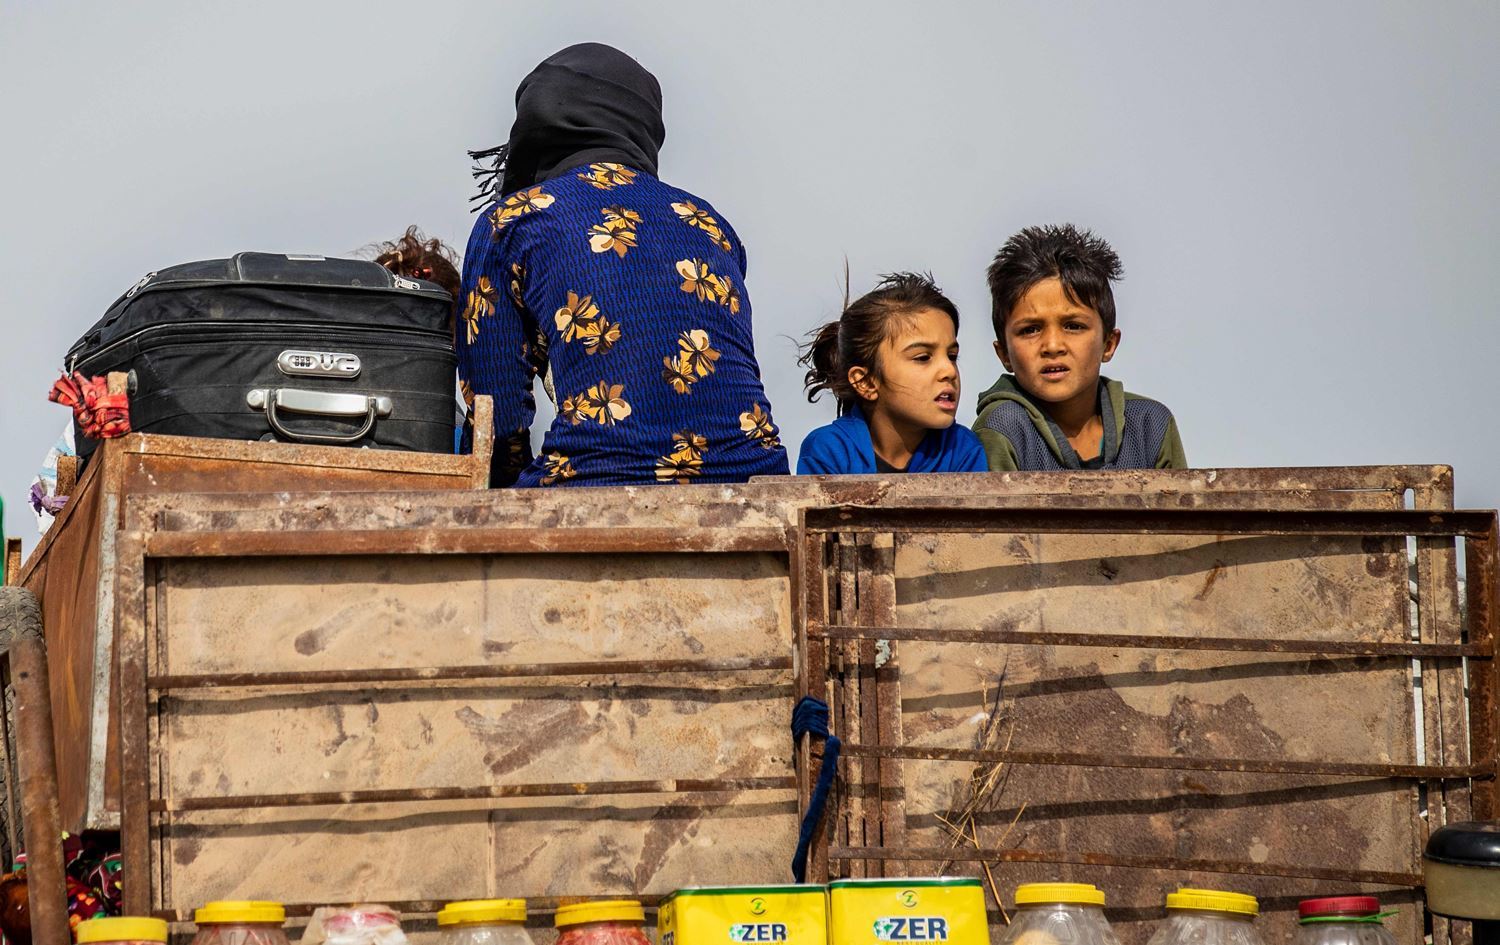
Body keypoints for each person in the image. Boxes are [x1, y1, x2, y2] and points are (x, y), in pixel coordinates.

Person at [457, 43, 789, 487]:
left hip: (598, 479)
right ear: (645, 126)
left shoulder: (514, 219)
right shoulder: (709, 223)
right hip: (755, 480)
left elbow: (495, 414)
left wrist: (497, 504)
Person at [972, 224, 1186, 470]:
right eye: (1030, 329)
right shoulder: (1003, 427)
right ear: (1004, 354)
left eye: (1073, 326)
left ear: (1108, 344)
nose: (1052, 346)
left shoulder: (1150, 425)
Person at [796, 272, 986, 475]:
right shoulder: (829, 451)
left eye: (952, 356)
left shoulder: (963, 450)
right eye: (923, 357)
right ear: (866, 382)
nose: (949, 371)